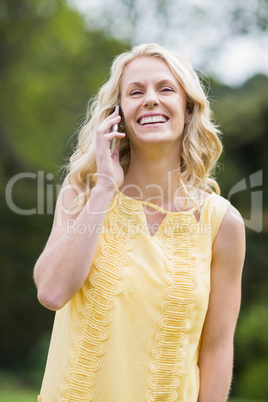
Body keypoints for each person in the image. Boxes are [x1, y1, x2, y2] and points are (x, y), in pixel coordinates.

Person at [34, 43, 245, 402]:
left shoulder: (222, 222)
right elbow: (52, 293)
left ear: (189, 110)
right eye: (135, 92)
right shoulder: (82, 193)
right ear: (118, 114)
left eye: (165, 89)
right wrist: (104, 186)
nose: (150, 99)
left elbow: (217, 348)